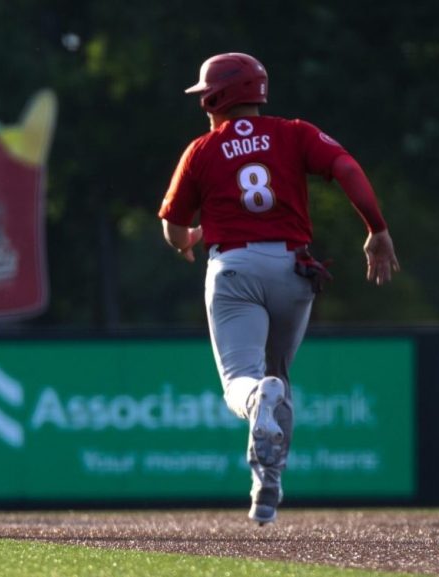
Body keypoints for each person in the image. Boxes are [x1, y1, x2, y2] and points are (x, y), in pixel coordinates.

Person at [157, 53, 399, 525]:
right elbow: (347, 168)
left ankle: (255, 401)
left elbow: (173, 223)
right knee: (279, 376)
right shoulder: (294, 133)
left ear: (216, 95)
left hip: (234, 268)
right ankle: (267, 485)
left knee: (240, 384)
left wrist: (185, 242)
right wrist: (377, 228)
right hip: (292, 268)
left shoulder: (203, 149)